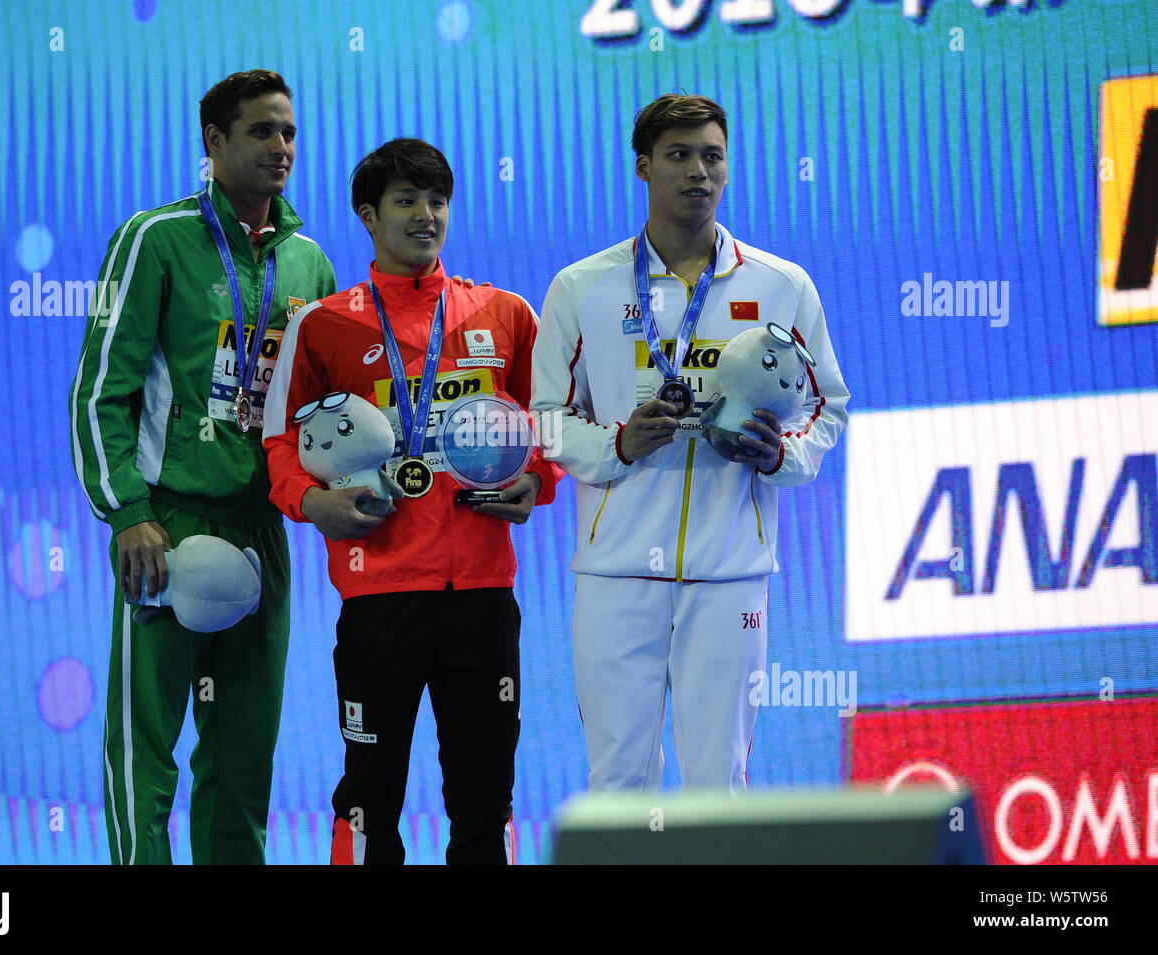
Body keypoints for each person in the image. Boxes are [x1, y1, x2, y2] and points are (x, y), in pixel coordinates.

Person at [532, 94, 850, 794]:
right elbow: (547, 417)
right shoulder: (581, 287)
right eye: (678, 156)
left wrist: (778, 454)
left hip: (731, 573)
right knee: (619, 783)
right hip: (615, 575)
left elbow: (828, 407)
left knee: (719, 784)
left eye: (712, 156)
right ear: (643, 167)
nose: (698, 172)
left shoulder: (781, 284)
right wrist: (618, 443)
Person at [263, 138, 561, 864]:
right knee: (367, 799)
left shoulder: (506, 313)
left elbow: (552, 421)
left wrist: (538, 483)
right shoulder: (324, 324)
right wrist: (312, 503)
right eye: (406, 201)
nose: (426, 216)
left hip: (482, 597)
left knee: (485, 801)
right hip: (378, 595)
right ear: (368, 215)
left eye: (437, 201)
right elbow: (279, 443)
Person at [68, 69, 337, 864]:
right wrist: (127, 514)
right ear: (213, 143)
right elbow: (98, 394)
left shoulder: (309, 263)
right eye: (261, 131)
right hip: (166, 526)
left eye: (289, 131)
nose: (281, 147)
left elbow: (316, 414)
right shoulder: (156, 238)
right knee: (144, 755)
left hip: (262, 534)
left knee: (242, 759)